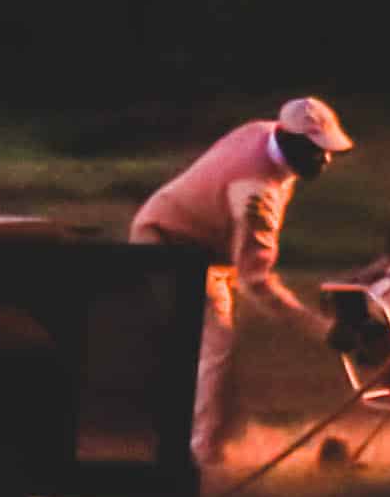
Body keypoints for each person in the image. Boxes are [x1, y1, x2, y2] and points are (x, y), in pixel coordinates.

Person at [129, 93, 356, 476]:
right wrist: (323, 331)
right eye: (318, 150)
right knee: (218, 343)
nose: (326, 159)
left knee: (207, 344)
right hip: (166, 242)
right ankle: (203, 457)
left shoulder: (261, 131)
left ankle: (207, 440)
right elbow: (257, 282)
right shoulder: (255, 193)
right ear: (291, 141)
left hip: (195, 242)